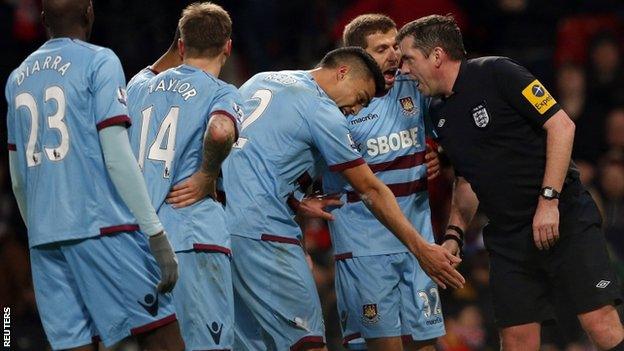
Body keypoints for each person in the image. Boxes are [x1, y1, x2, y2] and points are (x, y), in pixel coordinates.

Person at [397, 14, 624, 351]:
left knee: (600, 324)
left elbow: (561, 126)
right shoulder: (436, 112)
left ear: (437, 55)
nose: (402, 69)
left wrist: (548, 201)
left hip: (563, 217)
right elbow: (466, 179)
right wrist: (454, 236)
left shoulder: (498, 72)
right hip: (507, 236)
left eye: (408, 58)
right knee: (517, 339)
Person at [222, 46, 464, 351]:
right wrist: (420, 249)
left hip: (221, 227)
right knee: (308, 344)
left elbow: (238, 146)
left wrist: (293, 198)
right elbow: (371, 190)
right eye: (361, 98)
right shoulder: (322, 110)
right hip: (265, 231)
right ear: (342, 72)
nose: (357, 110)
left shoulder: (263, 79)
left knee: (252, 344)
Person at [4, 0, 183, 350]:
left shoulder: (16, 79)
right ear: (89, 14)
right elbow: (117, 157)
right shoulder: (100, 61)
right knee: (162, 335)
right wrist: (154, 232)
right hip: (101, 230)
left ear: (43, 20)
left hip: (45, 240)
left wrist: (40, 230)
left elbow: (17, 179)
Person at [316, 14, 446, 351]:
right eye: (381, 48)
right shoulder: (333, 105)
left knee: (427, 344)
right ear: (356, 58)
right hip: (365, 248)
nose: (393, 55)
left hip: (418, 243)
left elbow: (446, 131)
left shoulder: (413, 87)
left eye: (395, 46)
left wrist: (439, 155)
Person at [126, 2, 240, 350]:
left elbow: (152, 69)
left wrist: (182, 39)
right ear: (228, 47)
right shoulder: (222, 92)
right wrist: (208, 173)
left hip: (140, 244)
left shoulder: (137, 87)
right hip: (193, 236)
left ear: (179, 46)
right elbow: (220, 131)